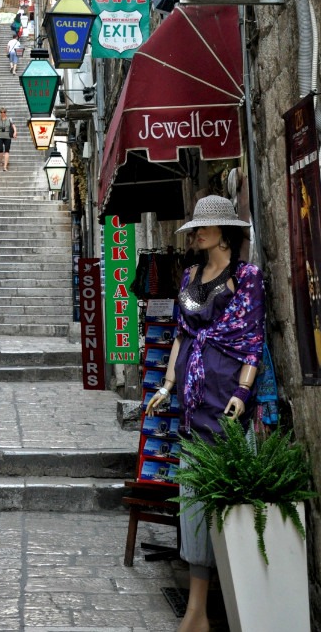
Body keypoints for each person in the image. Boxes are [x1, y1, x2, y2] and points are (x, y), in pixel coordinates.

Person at [146, 195, 264, 632]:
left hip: (227, 401)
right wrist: (168, 384)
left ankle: (238, 602)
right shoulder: (191, 275)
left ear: (223, 233)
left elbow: (251, 339)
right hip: (192, 403)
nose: (194, 234)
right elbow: (181, 333)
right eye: (194, 228)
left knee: (230, 501)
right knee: (194, 502)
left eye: (201, 228)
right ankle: (197, 611)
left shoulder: (246, 277)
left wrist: (242, 390)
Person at [0, 107, 16, 171]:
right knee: (0, 149)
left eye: (4, 112)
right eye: (1, 112)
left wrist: (15, 133)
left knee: (7, 151)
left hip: (7, 136)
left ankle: (5, 166)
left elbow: (14, 126)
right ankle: (0, 161)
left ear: (6, 112)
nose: (3, 113)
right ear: (0, 113)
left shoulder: (9, 120)